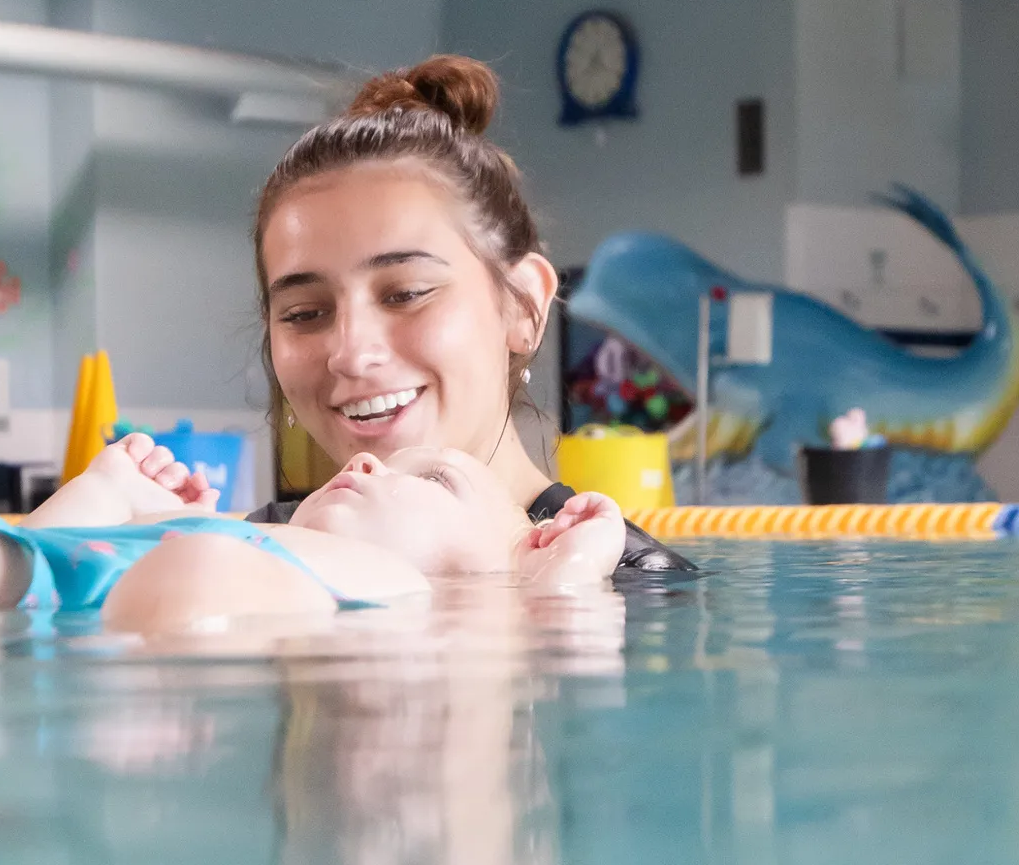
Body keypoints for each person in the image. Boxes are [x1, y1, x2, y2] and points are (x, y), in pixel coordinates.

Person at [247, 53, 697, 588]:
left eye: (406, 294)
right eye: (305, 314)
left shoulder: (629, 588)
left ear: (524, 305)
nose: (349, 352)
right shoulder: (259, 552)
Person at [0, 432, 625, 635]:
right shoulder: (354, 572)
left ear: (523, 552)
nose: (366, 461)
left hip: (31, 603)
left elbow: (92, 571)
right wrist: (108, 490)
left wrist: (568, 565)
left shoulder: (407, 585)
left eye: (434, 480)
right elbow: (63, 561)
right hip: (29, 585)